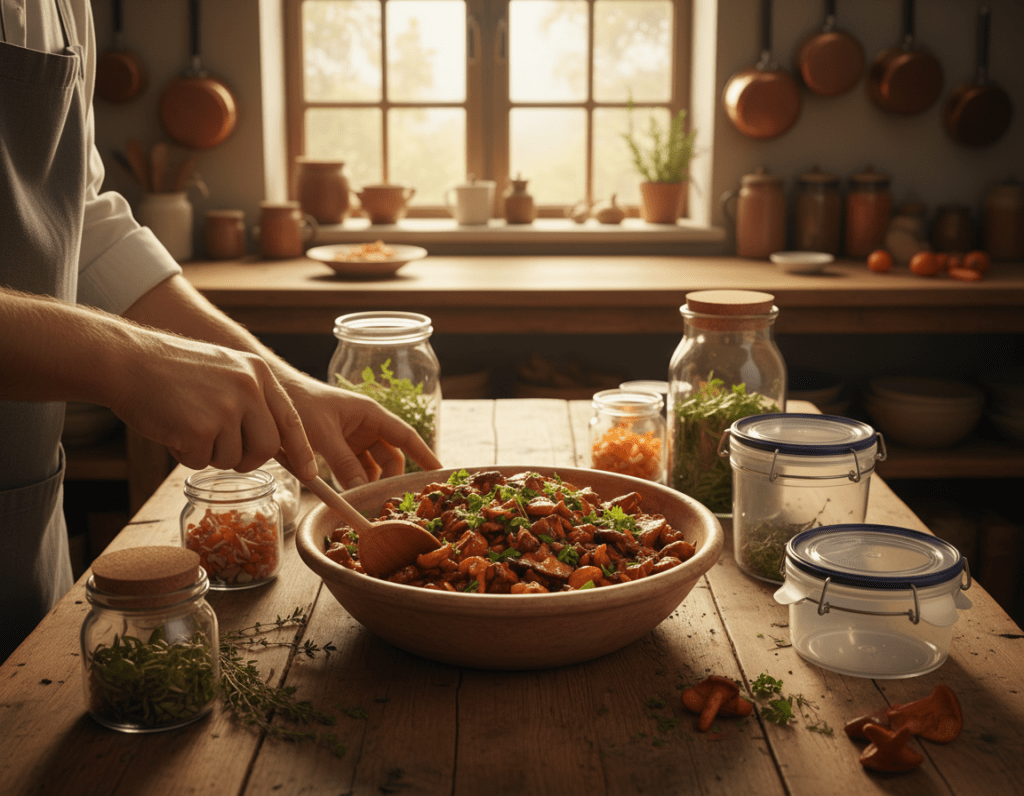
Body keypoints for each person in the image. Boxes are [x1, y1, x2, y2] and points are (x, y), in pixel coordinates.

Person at [0, 0, 442, 661]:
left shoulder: (63, 8)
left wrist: (284, 389)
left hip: (19, 514)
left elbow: (83, 226)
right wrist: (132, 362)